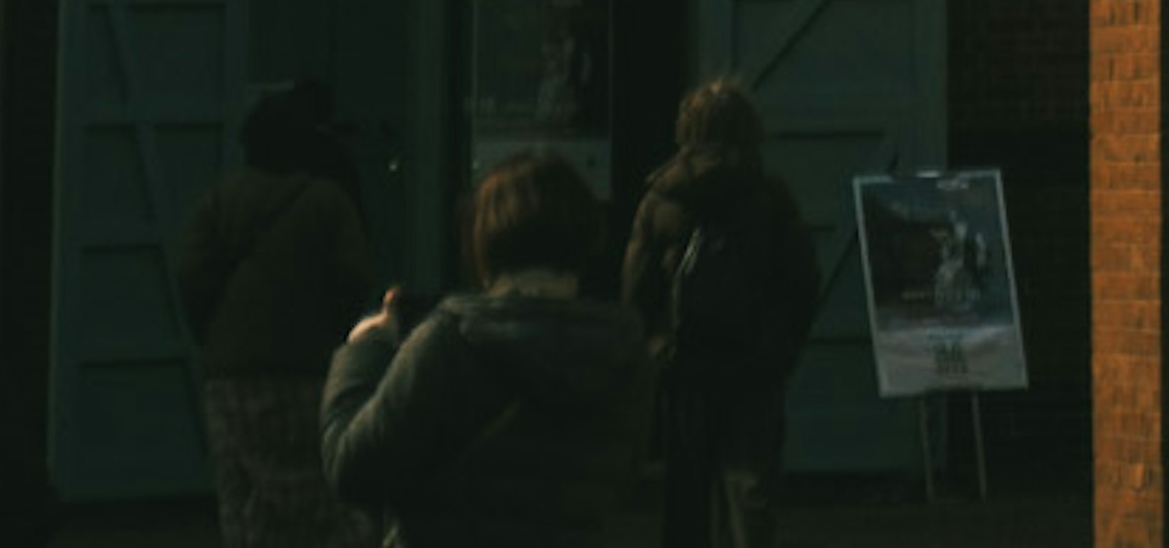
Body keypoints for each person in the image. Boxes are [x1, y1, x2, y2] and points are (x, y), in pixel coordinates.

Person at [316, 165, 644, 548]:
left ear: (482, 242)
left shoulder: (450, 342)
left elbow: (354, 470)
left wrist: (363, 352)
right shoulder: (625, 352)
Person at [617, 92, 819, 548]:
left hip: (684, 367)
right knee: (751, 490)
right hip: (753, 369)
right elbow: (802, 284)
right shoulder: (770, 196)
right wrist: (780, 349)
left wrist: (653, 347)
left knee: (686, 493)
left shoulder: (661, 199)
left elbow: (637, 289)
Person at [177, 85, 372, 548]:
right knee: (317, 498)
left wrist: (214, 332)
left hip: (230, 372)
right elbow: (354, 277)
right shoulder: (327, 202)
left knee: (244, 502)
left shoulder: (219, 201)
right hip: (306, 367)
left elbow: (191, 276)